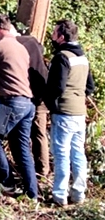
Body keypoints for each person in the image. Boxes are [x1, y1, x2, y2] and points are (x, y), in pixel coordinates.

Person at [0, 14, 38, 200]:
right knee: (22, 148)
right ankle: (32, 193)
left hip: (11, 102)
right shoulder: (21, 48)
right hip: (27, 103)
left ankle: (8, 184)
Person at [45, 19, 96, 206]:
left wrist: (51, 104)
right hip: (79, 113)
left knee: (61, 154)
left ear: (61, 36)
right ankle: (78, 194)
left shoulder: (62, 57)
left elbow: (57, 87)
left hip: (64, 112)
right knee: (78, 154)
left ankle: (59, 195)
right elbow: (90, 87)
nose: (52, 35)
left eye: (54, 32)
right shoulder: (83, 58)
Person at [12, 22, 51, 182]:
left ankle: (31, 170)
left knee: (21, 134)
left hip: (29, 95)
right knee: (39, 134)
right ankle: (42, 171)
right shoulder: (33, 42)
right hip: (41, 94)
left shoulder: (16, 46)